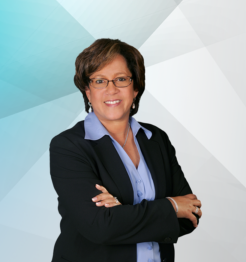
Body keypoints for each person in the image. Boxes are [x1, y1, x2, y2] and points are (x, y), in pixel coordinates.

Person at [49, 38, 202, 262]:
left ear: (136, 88)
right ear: (88, 91)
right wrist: (170, 206)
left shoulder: (156, 139)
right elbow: (100, 227)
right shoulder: (69, 146)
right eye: (99, 81)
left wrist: (122, 213)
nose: (111, 89)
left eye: (121, 79)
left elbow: (190, 215)